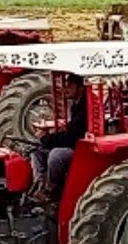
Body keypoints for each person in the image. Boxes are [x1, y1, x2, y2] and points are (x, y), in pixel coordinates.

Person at [29, 73, 87, 202]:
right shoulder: (76, 106)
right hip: (74, 143)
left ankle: (52, 190)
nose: (65, 89)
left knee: (57, 155)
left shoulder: (85, 109)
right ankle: (40, 184)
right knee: (36, 152)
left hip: (81, 149)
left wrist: (46, 138)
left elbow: (70, 138)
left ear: (81, 88)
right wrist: (46, 138)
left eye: (70, 86)